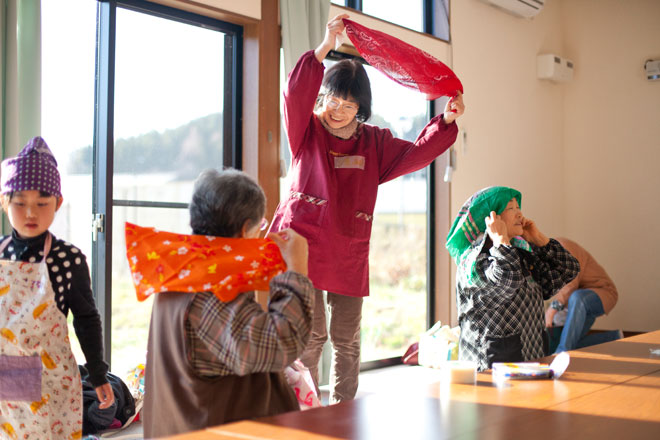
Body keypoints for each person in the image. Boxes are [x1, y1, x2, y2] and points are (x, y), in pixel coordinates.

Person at [269, 13, 465, 403]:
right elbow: (294, 94)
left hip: (347, 248)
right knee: (311, 333)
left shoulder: (374, 143)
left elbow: (414, 155)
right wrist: (324, 47)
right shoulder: (304, 130)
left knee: (346, 338)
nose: (336, 109)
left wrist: (444, 119)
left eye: (347, 103)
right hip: (301, 246)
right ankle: (300, 409)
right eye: (330, 99)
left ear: (361, 107)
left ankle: (343, 412)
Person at [142, 168, 315, 438]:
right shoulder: (212, 293)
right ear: (247, 228)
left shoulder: (182, 272)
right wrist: (296, 272)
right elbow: (282, 344)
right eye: (260, 226)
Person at [0, 136, 114, 439]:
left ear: (58, 203)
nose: (30, 213)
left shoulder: (69, 259)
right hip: (3, 381)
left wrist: (98, 373)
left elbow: (87, 319)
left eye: (42, 203)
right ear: (4, 202)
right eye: (19, 202)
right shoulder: (0, 252)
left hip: (52, 383)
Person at [445, 186, 580, 371]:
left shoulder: (520, 253)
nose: (519, 214)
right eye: (511, 208)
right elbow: (508, 282)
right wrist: (500, 240)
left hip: (533, 361)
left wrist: (540, 239)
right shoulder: (472, 262)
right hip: (492, 369)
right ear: (491, 218)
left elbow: (569, 269)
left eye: (519, 208)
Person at [545, 237, 621, 352]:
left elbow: (571, 283)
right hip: (577, 302)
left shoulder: (562, 246)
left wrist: (553, 308)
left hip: (602, 292)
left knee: (577, 297)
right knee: (571, 341)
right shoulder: (544, 262)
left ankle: (562, 352)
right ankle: (613, 337)